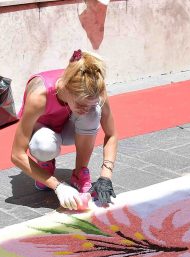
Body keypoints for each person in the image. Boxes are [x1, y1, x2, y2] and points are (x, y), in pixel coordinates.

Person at [11, 49, 118, 210]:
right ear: (67, 88)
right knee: (44, 146)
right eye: (81, 104)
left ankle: (79, 172)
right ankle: (45, 165)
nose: (85, 108)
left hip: (67, 127)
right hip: (42, 132)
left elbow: (112, 134)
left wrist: (106, 177)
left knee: (94, 113)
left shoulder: (94, 87)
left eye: (90, 104)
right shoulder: (39, 96)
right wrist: (58, 186)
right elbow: (17, 155)